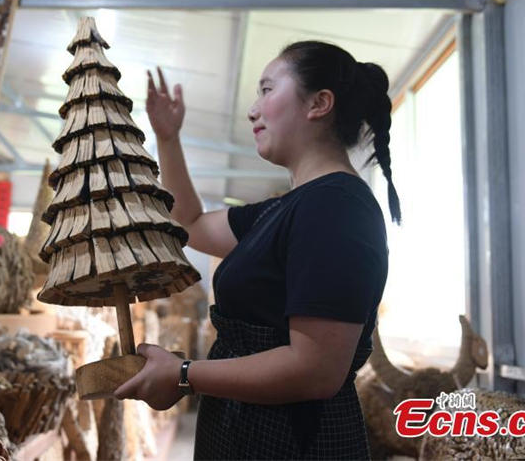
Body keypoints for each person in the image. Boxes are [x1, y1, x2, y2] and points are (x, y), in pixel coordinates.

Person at [114, 40, 401, 460]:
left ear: (319, 103)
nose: (252, 110)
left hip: (292, 441)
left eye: (267, 90)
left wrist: (184, 374)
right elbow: (189, 225)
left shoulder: (336, 206)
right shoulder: (288, 208)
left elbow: (316, 369)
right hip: (248, 432)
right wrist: (168, 138)